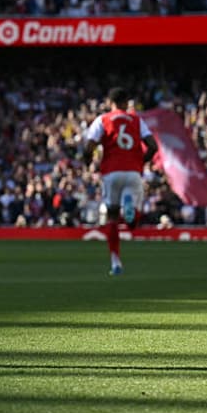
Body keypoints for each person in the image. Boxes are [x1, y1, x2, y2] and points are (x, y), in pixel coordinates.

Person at [83, 87, 157, 276]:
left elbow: (89, 145)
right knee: (132, 224)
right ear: (127, 103)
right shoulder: (136, 120)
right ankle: (130, 208)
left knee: (112, 217)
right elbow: (153, 146)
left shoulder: (103, 120)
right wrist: (141, 161)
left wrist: (88, 162)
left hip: (111, 172)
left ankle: (115, 261)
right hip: (133, 171)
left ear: (110, 102)